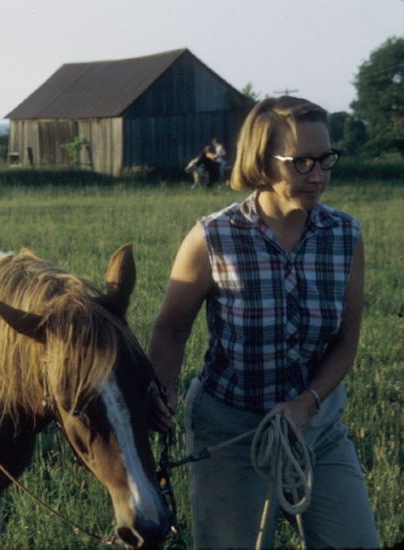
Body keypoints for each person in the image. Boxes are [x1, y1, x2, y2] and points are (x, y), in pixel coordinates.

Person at [148, 96, 379, 548]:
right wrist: (163, 390)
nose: (318, 174)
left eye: (325, 159)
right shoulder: (213, 237)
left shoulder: (345, 237)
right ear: (262, 162)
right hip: (231, 431)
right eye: (302, 162)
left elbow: (346, 343)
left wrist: (307, 404)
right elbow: (170, 329)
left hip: (318, 427)